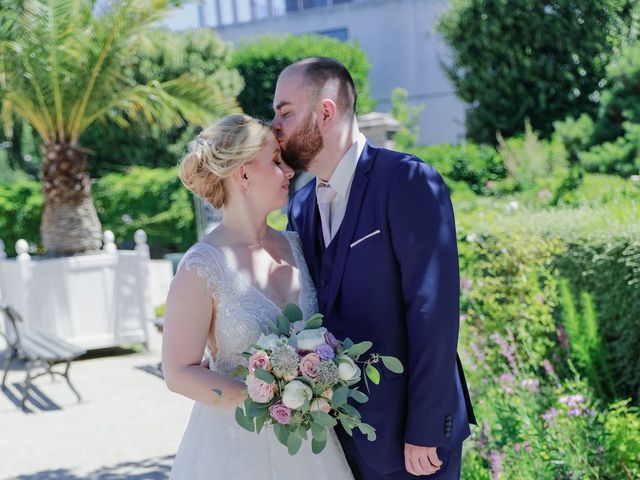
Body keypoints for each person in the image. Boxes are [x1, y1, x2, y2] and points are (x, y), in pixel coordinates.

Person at [274, 58, 476, 479]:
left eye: (285, 112)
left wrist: (425, 429)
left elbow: (432, 311)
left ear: (324, 112)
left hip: (412, 445)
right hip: (337, 442)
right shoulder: (301, 204)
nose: (275, 126)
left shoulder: (407, 181)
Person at [162, 114, 354, 480]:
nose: (289, 172)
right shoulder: (201, 266)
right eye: (276, 162)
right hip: (236, 446)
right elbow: (177, 372)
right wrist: (268, 398)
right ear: (243, 173)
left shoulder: (297, 246)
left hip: (311, 443)